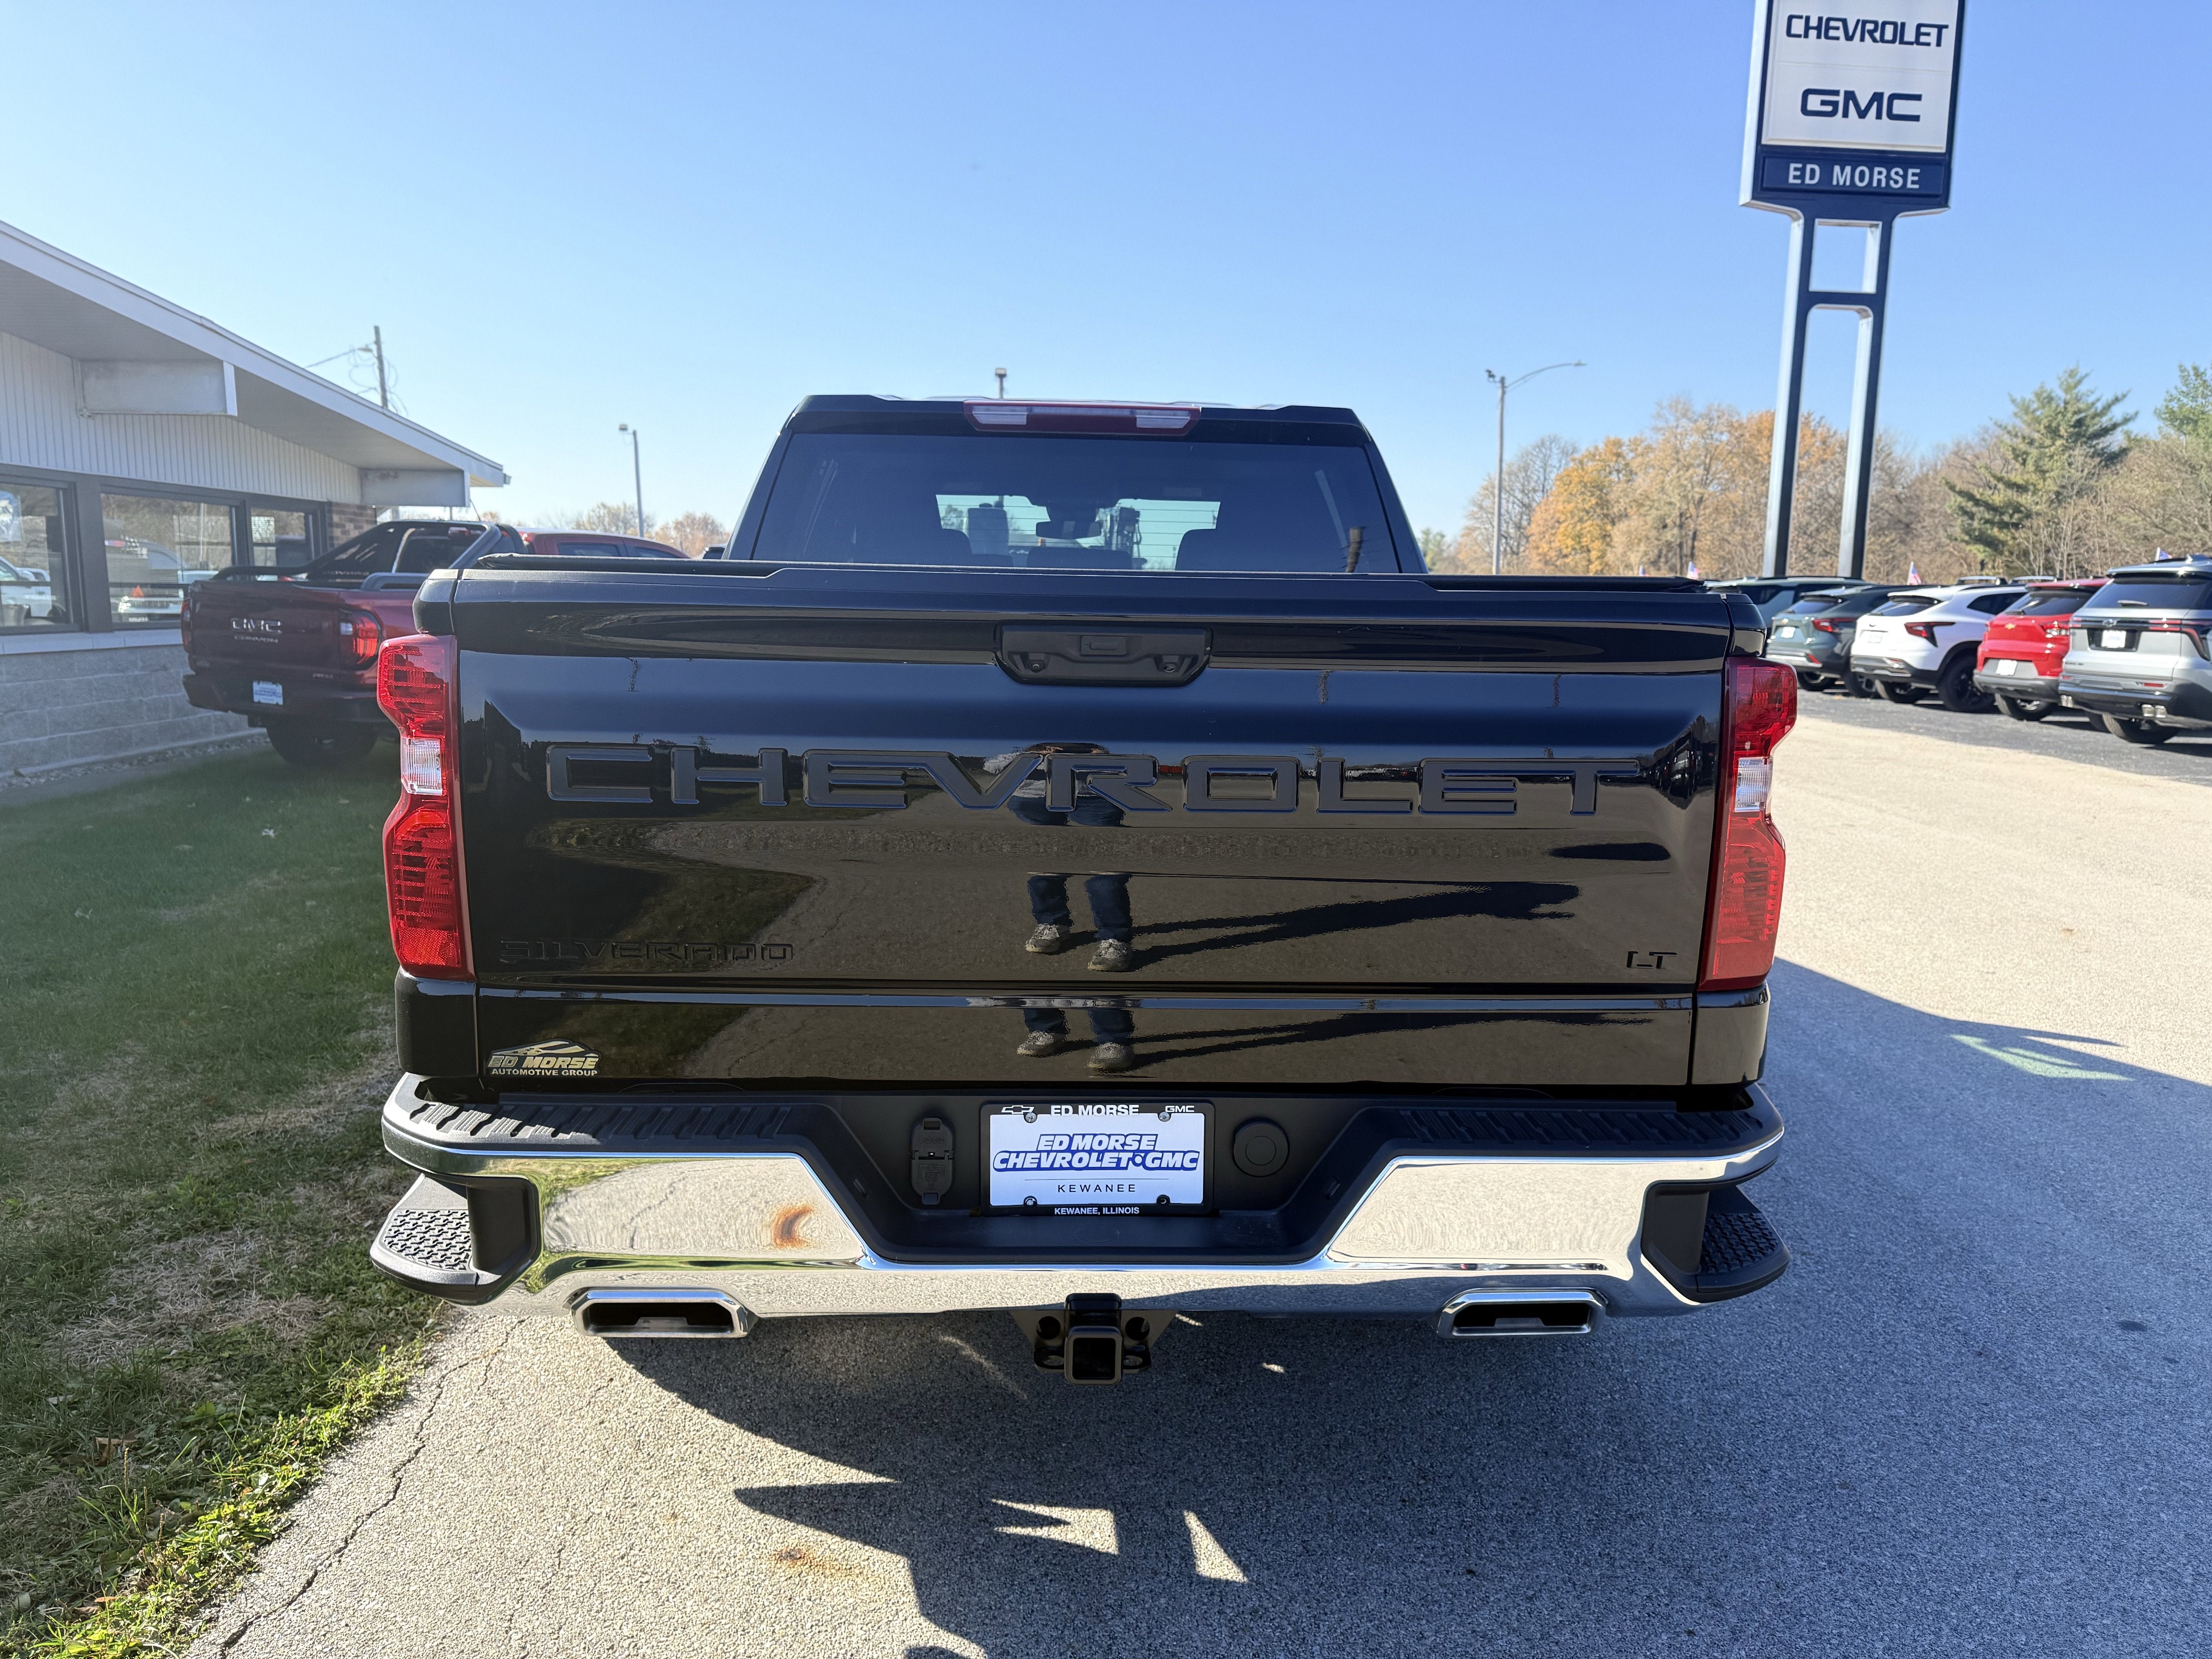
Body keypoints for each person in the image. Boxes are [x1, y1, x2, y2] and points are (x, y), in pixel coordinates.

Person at [987, 745, 1139, 1071]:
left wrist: (1097, 755)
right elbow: (992, 764)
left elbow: (1139, 761)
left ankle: (1114, 942)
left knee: (1106, 876)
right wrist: (1032, 753)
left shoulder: (1102, 710)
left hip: (1095, 795)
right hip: (1032, 796)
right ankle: (1046, 1026)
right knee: (1043, 872)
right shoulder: (1022, 720)